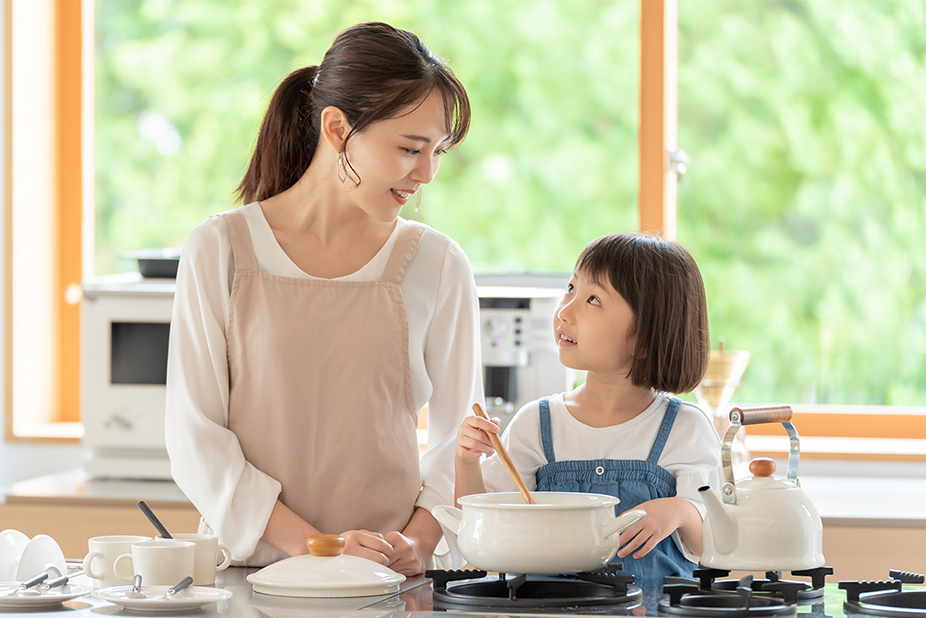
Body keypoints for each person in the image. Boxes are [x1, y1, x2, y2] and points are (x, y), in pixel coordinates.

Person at [165, 22, 483, 576]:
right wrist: (319, 547)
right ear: (337, 128)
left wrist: (418, 543)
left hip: (389, 579)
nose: (427, 173)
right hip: (254, 578)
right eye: (410, 148)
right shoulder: (220, 250)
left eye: (437, 151)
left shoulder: (438, 263)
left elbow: (460, 441)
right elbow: (196, 438)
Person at [454, 233, 722, 590]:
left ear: (645, 338)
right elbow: (483, 531)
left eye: (593, 299)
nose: (564, 311)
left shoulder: (685, 428)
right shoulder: (536, 424)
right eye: (570, 289)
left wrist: (681, 511)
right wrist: (466, 462)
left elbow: (716, 547)